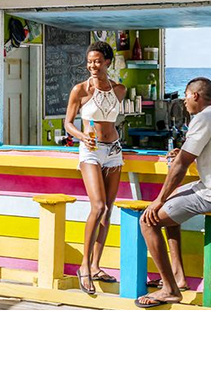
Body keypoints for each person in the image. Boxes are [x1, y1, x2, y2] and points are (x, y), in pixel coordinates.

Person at [136, 76, 211, 308]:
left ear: (195, 95)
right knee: (174, 201)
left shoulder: (203, 118)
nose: (184, 102)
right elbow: (210, 153)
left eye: (186, 96)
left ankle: (169, 290)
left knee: (148, 221)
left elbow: (181, 165)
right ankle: (178, 276)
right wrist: (183, 152)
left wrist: (158, 200)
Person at [64, 41, 126, 295]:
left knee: (108, 211)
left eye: (98, 61)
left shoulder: (119, 90)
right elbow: (68, 123)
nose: (92, 65)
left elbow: (113, 121)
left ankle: (97, 265)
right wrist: (81, 135)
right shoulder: (80, 90)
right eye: (90, 61)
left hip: (114, 151)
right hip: (90, 151)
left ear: (108, 62)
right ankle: (84, 267)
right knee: (98, 206)